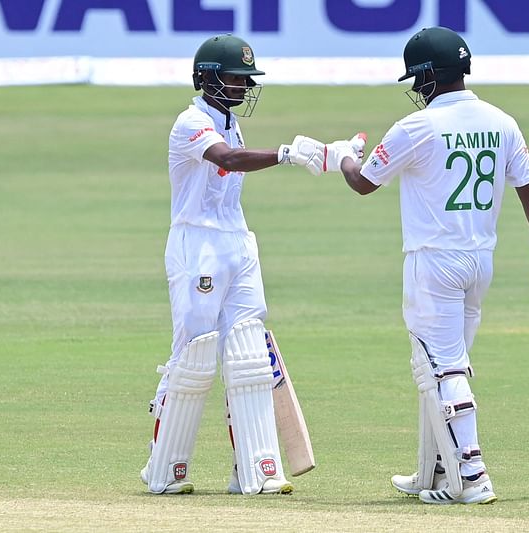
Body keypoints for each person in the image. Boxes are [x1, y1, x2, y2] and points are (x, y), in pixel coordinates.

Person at [323, 26, 529, 504]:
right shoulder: (502, 121)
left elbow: (364, 183)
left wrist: (343, 157)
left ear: (429, 77)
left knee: (444, 370)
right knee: (436, 369)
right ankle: (433, 473)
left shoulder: (416, 127)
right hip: (480, 262)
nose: (416, 91)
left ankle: (473, 477)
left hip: (433, 262)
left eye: (418, 81)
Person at [139, 33, 336, 496]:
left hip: (239, 244)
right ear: (206, 78)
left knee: (249, 355)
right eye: (234, 77)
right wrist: (286, 153)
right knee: (194, 356)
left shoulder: (229, 120)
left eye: (247, 78)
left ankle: (254, 469)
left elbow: (234, 157)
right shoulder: (190, 122)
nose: (243, 86)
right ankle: (164, 469)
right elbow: (227, 160)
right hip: (198, 246)